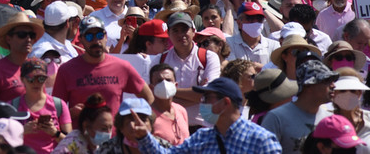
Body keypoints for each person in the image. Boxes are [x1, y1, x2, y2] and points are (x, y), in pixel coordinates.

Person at [123, 77, 282, 154]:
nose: (202, 102)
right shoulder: (202, 137)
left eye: (207, 98)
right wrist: (144, 136)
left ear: (225, 103)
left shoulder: (262, 141)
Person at [52, 16, 153, 118]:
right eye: (89, 36)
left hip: (112, 133)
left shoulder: (122, 66)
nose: (96, 41)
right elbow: (55, 110)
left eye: (100, 35)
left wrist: (131, 122)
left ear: (106, 36)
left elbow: (148, 97)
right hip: (80, 133)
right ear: (80, 39)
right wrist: (70, 113)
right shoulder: (67, 70)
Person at [260, 60, 340, 151]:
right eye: (326, 81)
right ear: (308, 86)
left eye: (333, 81)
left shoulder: (330, 119)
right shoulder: (276, 118)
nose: (333, 85)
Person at [0, 12, 42, 107]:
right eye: (22, 34)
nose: (28, 39)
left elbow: (42, 103)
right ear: (8, 39)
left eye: (31, 35)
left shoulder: (38, 67)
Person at [16, 58, 71, 154]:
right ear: (22, 79)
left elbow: (71, 144)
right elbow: (3, 142)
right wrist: (22, 131)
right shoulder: (13, 106)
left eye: (41, 79)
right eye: (31, 79)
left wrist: (54, 133)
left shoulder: (59, 105)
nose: (36, 83)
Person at [147, 63, 188, 146]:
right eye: (159, 81)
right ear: (151, 88)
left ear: (175, 86)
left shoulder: (181, 110)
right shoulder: (147, 115)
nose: (164, 84)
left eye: (168, 80)